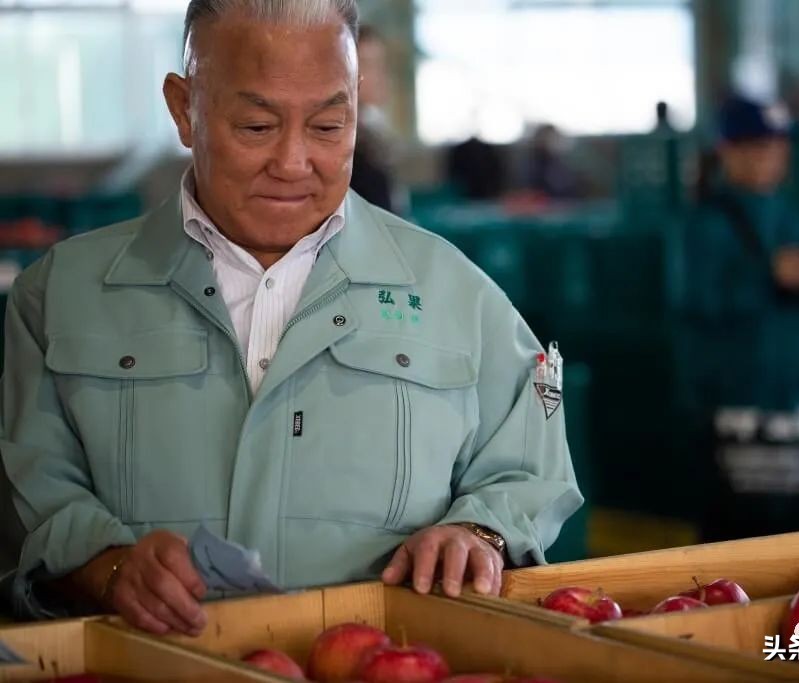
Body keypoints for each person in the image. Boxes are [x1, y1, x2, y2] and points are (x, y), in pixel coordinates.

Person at [0, 0, 582, 634]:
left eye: (329, 127)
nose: (293, 162)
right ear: (183, 108)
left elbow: (529, 468)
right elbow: (31, 493)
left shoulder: (459, 296)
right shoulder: (58, 297)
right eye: (256, 126)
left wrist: (478, 532)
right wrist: (106, 567)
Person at [681, 95, 799, 541]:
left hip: (791, 406)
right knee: (735, 534)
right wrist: (768, 275)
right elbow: (698, 301)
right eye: (756, 147)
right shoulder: (707, 223)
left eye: (776, 148)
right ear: (726, 151)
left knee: (791, 531)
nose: (768, 159)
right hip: (733, 411)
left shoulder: (792, 218)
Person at [349, 25, 397, 212]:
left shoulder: (375, 134)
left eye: (382, 65)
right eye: (368, 65)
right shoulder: (345, 147)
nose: (380, 76)